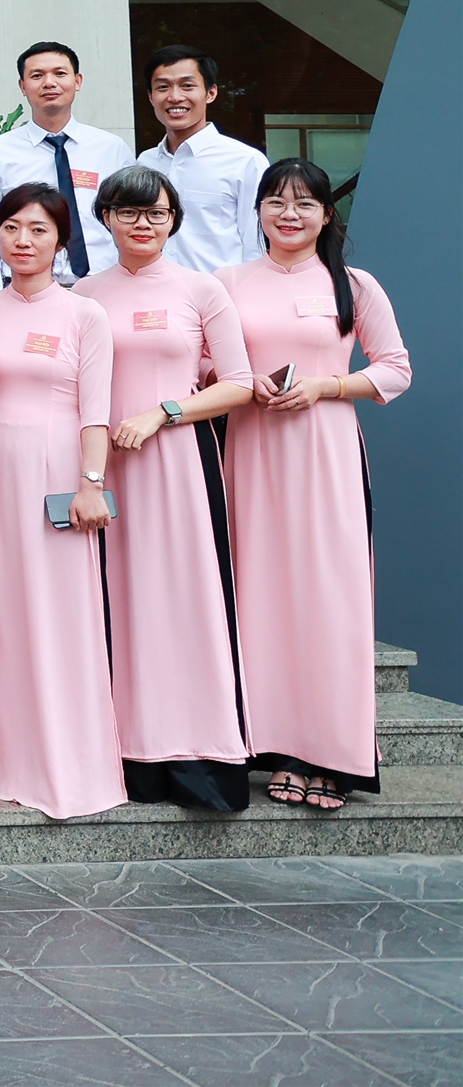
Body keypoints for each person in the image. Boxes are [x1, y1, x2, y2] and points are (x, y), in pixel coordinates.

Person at [220, 158, 410, 813]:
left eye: (305, 203)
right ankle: (272, 744)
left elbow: (394, 369)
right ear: (258, 212)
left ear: (328, 215)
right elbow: (204, 365)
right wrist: (245, 384)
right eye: (276, 201)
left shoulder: (353, 286)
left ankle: (330, 751)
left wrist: (327, 386)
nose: (289, 214)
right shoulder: (226, 283)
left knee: (329, 596)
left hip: (325, 453)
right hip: (250, 452)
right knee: (259, 591)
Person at [77, 165, 257, 811]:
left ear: (174, 220)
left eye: (156, 213)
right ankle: (127, 752)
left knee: (184, 597)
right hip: (104, 470)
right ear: (105, 218)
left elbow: (240, 383)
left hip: (178, 463)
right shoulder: (83, 295)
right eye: (128, 212)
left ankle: (196, 752)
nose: (143, 224)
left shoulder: (201, 290)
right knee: (116, 601)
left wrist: (165, 412)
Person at [0, 184, 127, 819]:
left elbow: (96, 410)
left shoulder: (84, 314)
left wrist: (91, 482)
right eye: (11, 228)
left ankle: (66, 761)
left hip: (57, 467)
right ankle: (2, 756)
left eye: (38, 229)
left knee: (59, 610)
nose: (23, 241)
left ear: (61, 240)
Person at [0, 42, 134, 280]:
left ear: (77, 81)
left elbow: (131, 217)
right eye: (37, 75)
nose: (49, 83)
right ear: (22, 86)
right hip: (26, 284)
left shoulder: (112, 148)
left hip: (103, 282)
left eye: (60, 73)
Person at [139, 45, 267, 272]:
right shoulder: (144, 163)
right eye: (163, 87)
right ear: (150, 96)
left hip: (220, 290)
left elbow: (255, 242)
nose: (175, 97)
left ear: (211, 93)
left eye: (187, 86)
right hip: (153, 289)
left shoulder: (245, 161)